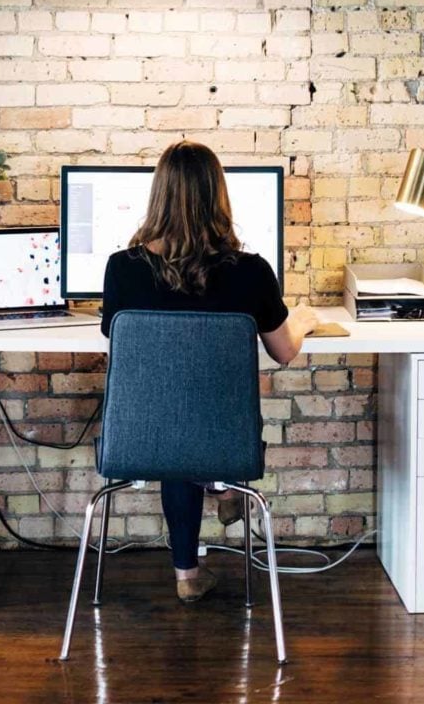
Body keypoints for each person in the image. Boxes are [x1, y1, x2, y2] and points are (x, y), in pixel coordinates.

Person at [100, 141, 319, 603]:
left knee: (174, 420)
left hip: (146, 433)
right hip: (225, 433)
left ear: (158, 196)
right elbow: (283, 351)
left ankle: (187, 575)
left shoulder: (122, 269)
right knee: (199, 419)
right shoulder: (251, 271)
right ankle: (221, 485)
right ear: (219, 196)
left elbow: (119, 344)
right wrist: (303, 319)